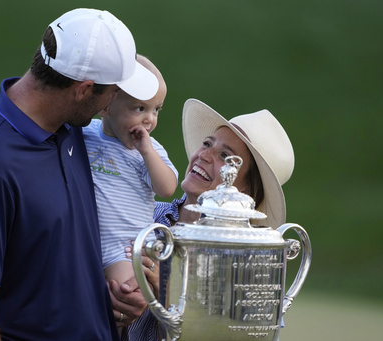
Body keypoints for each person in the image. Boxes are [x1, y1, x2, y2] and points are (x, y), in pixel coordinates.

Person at [0, 8, 159, 340]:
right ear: (84, 90)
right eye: (113, 90)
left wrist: (109, 298)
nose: (115, 99)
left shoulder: (74, 129)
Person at [124, 98, 295, 340]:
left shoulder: (250, 265)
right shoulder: (143, 212)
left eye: (226, 156)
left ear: (246, 189)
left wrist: (167, 295)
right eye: (207, 143)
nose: (204, 155)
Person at [83, 54, 178, 330]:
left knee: (125, 297)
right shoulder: (84, 132)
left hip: (122, 247)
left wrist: (146, 151)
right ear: (105, 107)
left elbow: (167, 187)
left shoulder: (150, 151)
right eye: (139, 108)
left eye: (156, 110)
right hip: (82, 238)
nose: (149, 119)